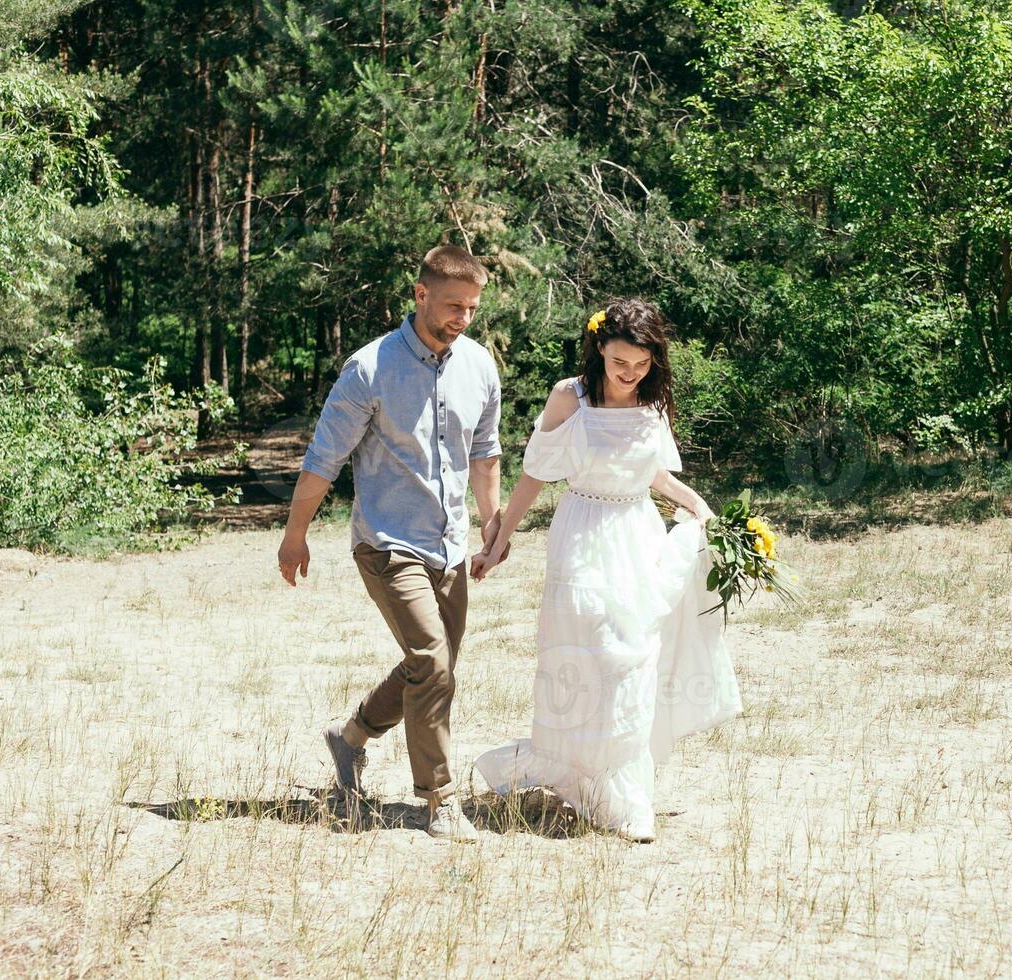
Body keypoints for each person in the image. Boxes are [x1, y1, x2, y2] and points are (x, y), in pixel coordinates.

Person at [471, 299, 742, 843]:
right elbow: (534, 474)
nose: (630, 373)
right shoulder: (569, 398)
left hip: (636, 532)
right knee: (590, 653)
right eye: (622, 361)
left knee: (634, 656)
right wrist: (501, 537)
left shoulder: (652, 402)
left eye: (641, 365)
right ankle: (580, 773)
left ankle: (622, 791)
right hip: (583, 533)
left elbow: (653, 474)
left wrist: (703, 509)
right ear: (599, 347)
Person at [277, 245, 505, 841]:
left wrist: (490, 522)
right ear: (420, 294)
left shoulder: (480, 366)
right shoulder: (370, 368)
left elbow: (484, 452)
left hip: (450, 544)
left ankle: (349, 738)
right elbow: (325, 456)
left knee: (430, 667)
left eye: (472, 308)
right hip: (385, 540)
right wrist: (295, 534)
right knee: (433, 661)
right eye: (453, 305)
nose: (462, 317)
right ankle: (440, 799)